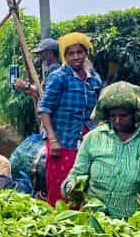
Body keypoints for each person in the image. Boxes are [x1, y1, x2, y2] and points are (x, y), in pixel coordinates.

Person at [62, 82, 140, 219]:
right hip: (95, 223)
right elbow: (75, 175)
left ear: (136, 114)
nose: (117, 121)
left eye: (123, 116)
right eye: (113, 116)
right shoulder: (92, 139)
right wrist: (71, 187)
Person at [37, 32, 104, 206]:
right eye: (70, 53)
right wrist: (52, 140)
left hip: (87, 140)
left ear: (86, 54)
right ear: (64, 56)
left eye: (79, 52)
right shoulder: (59, 77)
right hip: (62, 141)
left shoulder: (94, 79)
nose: (76, 57)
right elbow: (44, 109)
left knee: (85, 187)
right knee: (61, 190)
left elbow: (99, 109)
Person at [13, 38, 61, 102]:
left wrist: (26, 85)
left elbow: (45, 93)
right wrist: (28, 89)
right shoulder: (53, 69)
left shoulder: (55, 69)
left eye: (41, 53)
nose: (40, 56)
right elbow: (42, 94)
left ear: (49, 53)